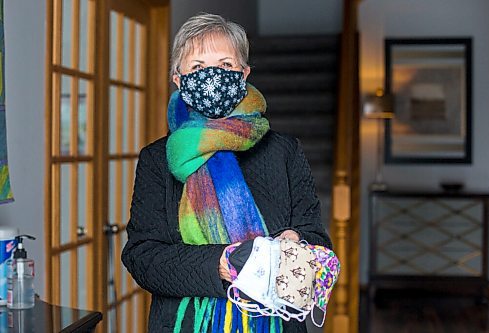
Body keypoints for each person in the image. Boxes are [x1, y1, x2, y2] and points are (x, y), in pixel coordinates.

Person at [121, 13, 332, 333]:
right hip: (186, 324)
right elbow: (142, 257)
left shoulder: (284, 151)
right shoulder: (157, 160)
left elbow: (316, 237)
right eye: (197, 67)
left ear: (244, 73)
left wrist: (297, 241)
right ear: (178, 79)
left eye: (225, 64)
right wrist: (220, 264)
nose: (213, 76)